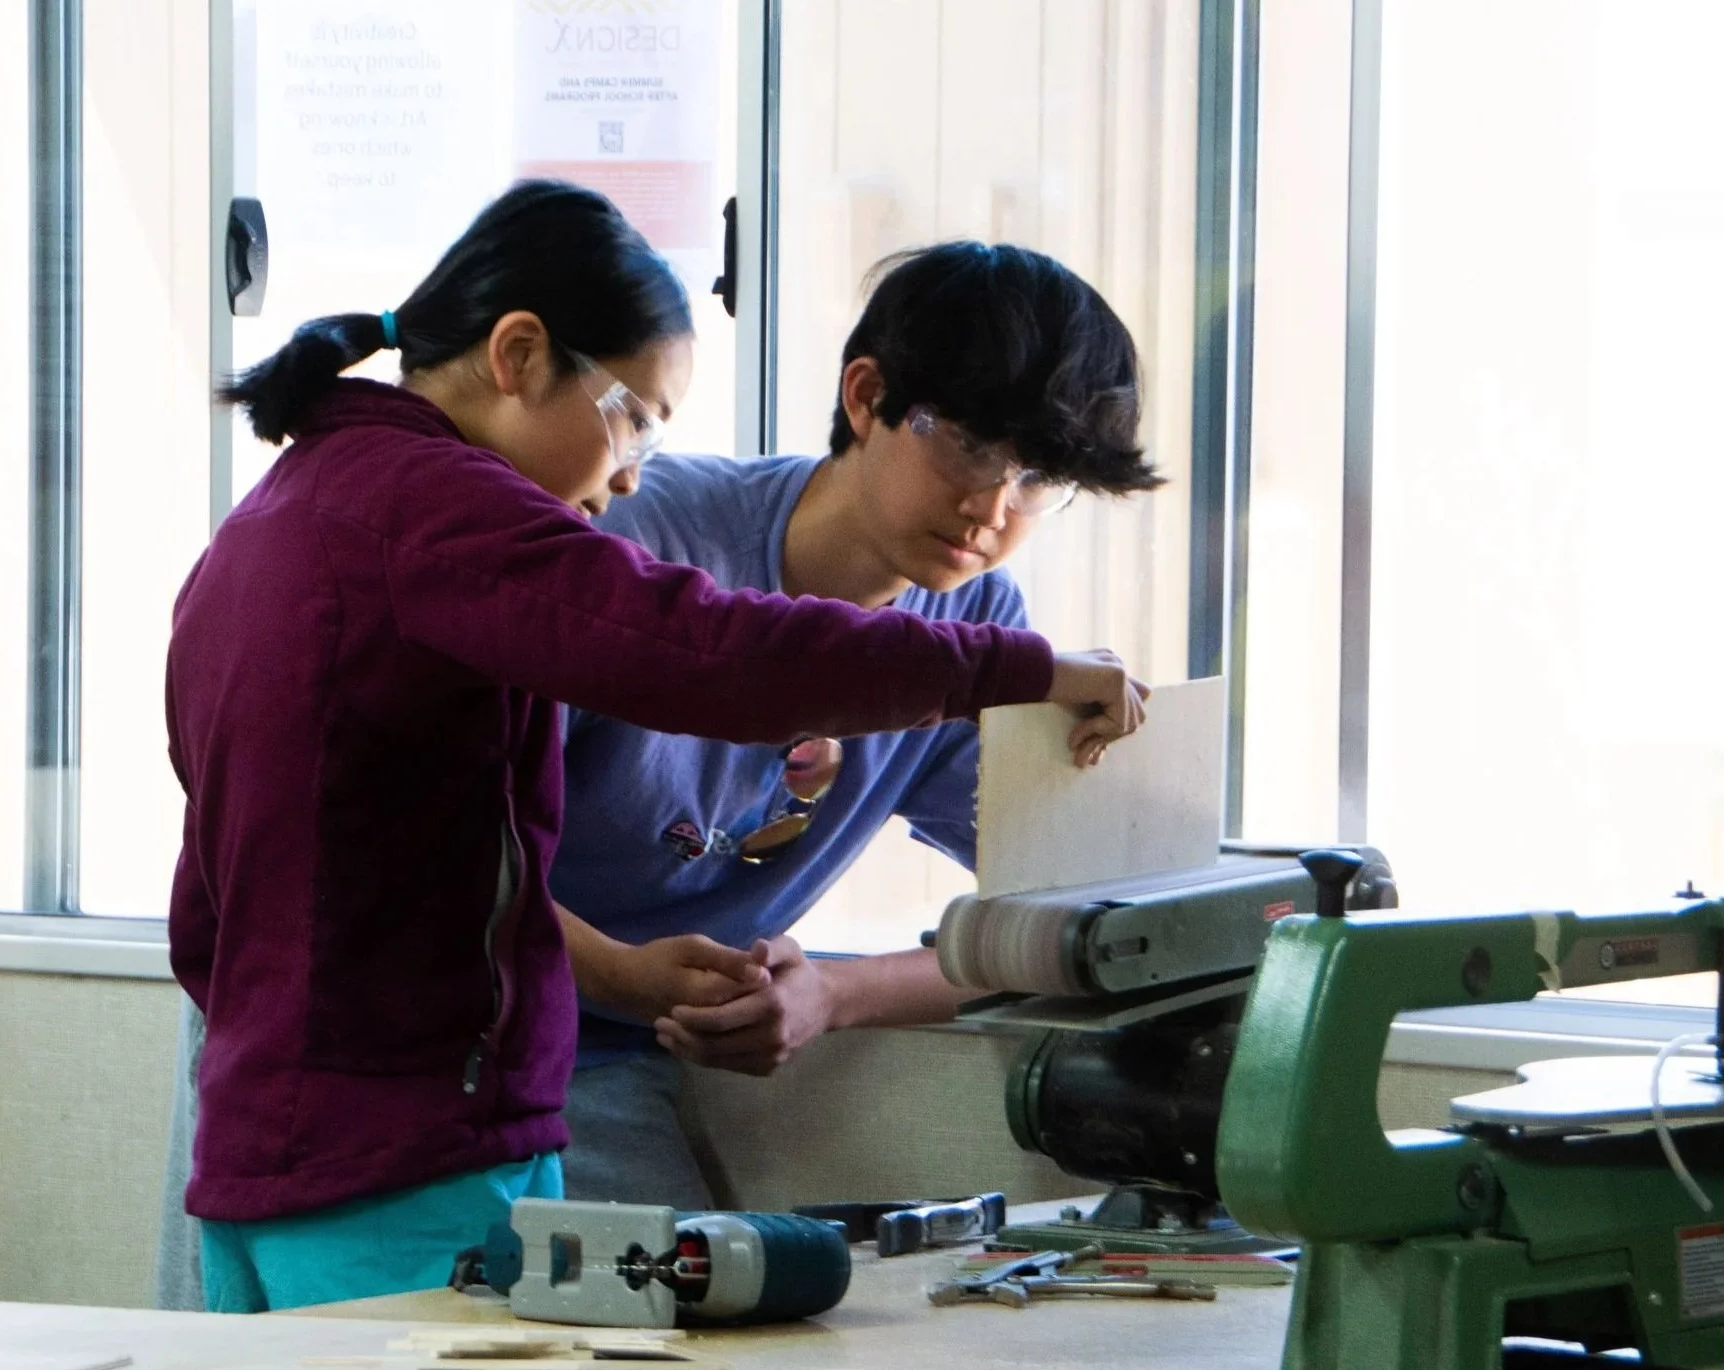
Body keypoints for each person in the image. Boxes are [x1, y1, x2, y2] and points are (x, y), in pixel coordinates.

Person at [163, 180, 1147, 1313]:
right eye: (630, 416)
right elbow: (713, 659)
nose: (630, 471)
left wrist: (831, 988)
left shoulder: (315, 498)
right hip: (402, 1114)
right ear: (518, 355)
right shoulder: (466, 519)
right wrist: (1011, 677)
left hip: (342, 1098)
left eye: (1039, 482)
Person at [554, 241, 1163, 1208]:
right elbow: (439, 864)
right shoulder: (636, 541)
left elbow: (1063, 928)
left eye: (1037, 480)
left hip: (627, 1055)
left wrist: (834, 995)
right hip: (456, 1021)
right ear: (866, 396)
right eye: (967, 445)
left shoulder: (978, 625)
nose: (991, 508)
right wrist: (628, 978)